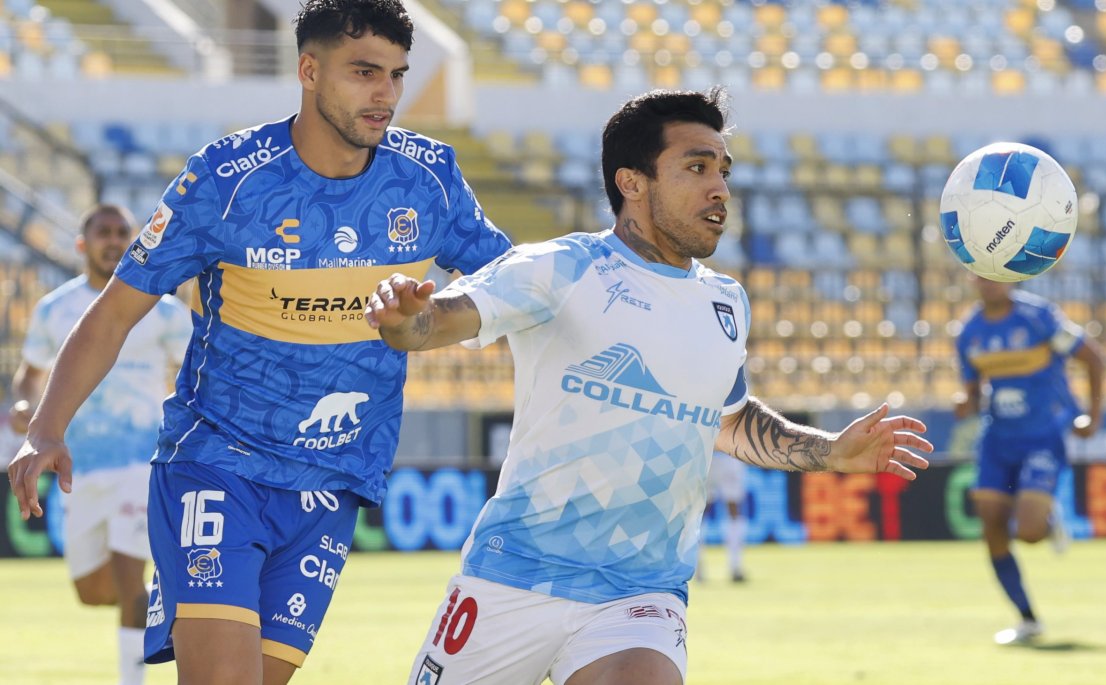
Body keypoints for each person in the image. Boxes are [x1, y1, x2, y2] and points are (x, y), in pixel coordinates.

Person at [6, 1, 512, 683]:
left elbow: (517, 289)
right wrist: (46, 427)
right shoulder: (226, 178)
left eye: (396, 75)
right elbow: (114, 312)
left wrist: (430, 317)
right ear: (309, 70)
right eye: (364, 72)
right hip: (218, 464)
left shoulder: (429, 179)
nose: (386, 94)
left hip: (332, 482)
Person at [365, 87, 932, 685]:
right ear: (631, 183)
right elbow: (434, 322)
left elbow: (729, 420)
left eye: (723, 170)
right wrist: (405, 317)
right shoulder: (561, 266)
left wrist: (829, 451)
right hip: (514, 577)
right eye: (697, 168)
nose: (720, 189)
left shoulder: (725, 302)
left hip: (640, 594)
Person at [8, 204, 191, 685]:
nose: (113, 240)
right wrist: (26, 406)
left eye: (121, 232)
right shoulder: (55, 309)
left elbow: (196, 366)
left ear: (133, 242)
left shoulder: (161, 309)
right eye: (103, 232)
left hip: (142, 462)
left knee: (130, 579)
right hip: (79, 468)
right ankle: (170, 598)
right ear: (82, 244)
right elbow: (29, 374)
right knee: (91, 592)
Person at [953, 276, 1104, 645]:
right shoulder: (968, 332)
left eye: (996, 276)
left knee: (1030, 532)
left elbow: (1093, 358)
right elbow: (972, 391)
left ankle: (1048, 520)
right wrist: (965, 403)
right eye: (981, 276)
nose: (989, 283)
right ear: (972, 279)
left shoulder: (1039, 317)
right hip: (997, 440)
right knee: (992, 525)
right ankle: (1027, 619)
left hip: (1042, 437)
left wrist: (1092, 416)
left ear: (1009, 278)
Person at [701, 449, 749, 582]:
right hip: (729, 453)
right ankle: (736, 566)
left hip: (708, 454)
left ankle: (697, 567)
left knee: (701, 511)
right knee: (733, 509)